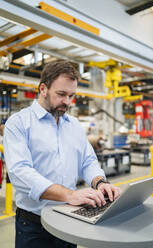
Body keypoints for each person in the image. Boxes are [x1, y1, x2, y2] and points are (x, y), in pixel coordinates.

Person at [3, 60, 121, 248]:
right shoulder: (19, 123)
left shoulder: (73, 125)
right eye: (61, 94)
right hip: (34, 226)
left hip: (69, 220)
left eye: (72, 96)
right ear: (43, 88)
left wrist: (100, 182)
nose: (67, 101)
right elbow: (20, 173)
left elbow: (87, 161)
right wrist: (69, 195)